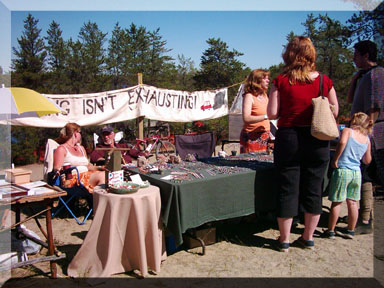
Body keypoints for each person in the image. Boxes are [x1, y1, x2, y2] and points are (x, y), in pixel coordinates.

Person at [267, 36, 339, 252]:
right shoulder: (323, 81)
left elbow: (272, 113)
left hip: (289, 137)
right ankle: (308, 238)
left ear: (289, 54)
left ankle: (285, 239)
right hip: (317, 138)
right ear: (311, 54)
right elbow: (335, 109)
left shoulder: (281, 80)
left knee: (287, 188)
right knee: (314, 188)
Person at [347, 40, 384, 235]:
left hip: (375, 134)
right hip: (366, 133)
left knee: (372, 176)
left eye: (356, 55)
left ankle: (366, 217)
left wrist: (366, 134)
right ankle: (364, 217)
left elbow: (375, 106)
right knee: (365, 176)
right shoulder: (365, 75)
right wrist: (355, 79)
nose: (353, 59)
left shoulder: (377, 75)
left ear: (366, 56)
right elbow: (350, 99)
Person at [324, 112, 372, 240]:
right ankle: (351, 229)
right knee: (353, 202)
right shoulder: (366, 138)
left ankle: (331, 230)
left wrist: (336, 158)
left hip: (343, 169)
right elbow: (367, 160)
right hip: (357, 172)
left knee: (337, 201)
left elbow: (342, 142)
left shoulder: (348, 131)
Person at [53, 122, 105, 193]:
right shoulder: (62, 149)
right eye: (80, 132)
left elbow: (88, 166)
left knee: (107, 175)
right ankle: (98, 201)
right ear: (75, 133)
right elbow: (56, 168)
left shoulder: (81, 148)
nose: (81, 135)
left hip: (87, 175)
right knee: (102, 176)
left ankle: (97, 200)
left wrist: (101, 168)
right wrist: (59, 171)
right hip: (72, 179)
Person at [240, 69, 271, 153]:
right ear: (257, 81)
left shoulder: (265, 95)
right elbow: (246, 118)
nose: (268, 81)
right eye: (265, 78)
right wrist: (265, 116)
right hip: (251, 137)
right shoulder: (249, 96)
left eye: (268, 78)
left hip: (265, 136)